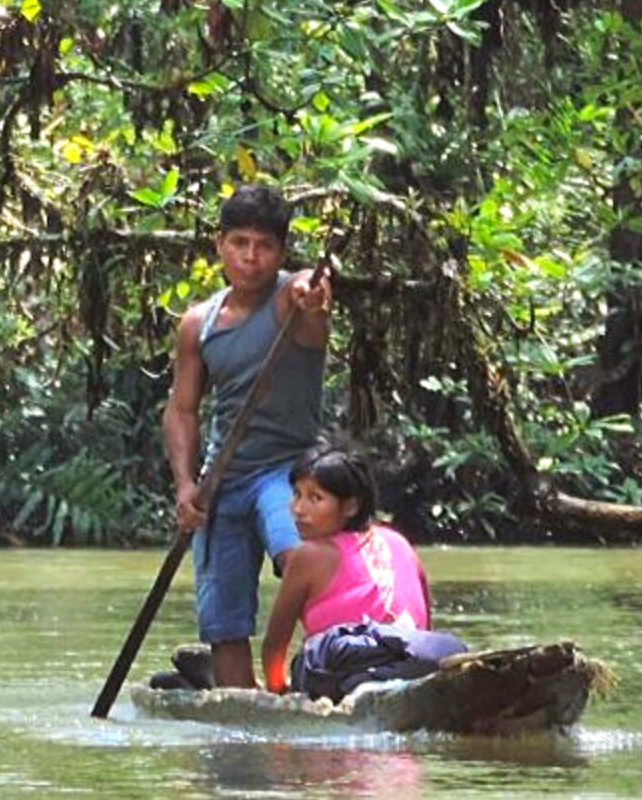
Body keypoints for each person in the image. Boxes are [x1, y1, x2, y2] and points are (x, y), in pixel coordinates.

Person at [163, 183, 331, 689]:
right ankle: (239, 707)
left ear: (280, 251)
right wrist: (186, 485)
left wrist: (313, 298)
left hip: (287, 472)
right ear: (220, 244)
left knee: (299, 558)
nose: (251, 257)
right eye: (239, 243)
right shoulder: (199, 324)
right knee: (224, 624)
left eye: (264, 246)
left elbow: (314, 291)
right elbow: (182, 410)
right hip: (222, 480)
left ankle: (320, 674)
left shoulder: (292, 298)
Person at [260, 443, 455, 697]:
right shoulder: (399, 541)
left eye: (314, 498)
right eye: (296, 494)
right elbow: (425, 626)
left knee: (307, 659)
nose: (297, 509)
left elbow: (275, 646)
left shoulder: (308, 556)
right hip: (416, 662)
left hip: (349, 669)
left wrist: (279, 693)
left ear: (351, 507)